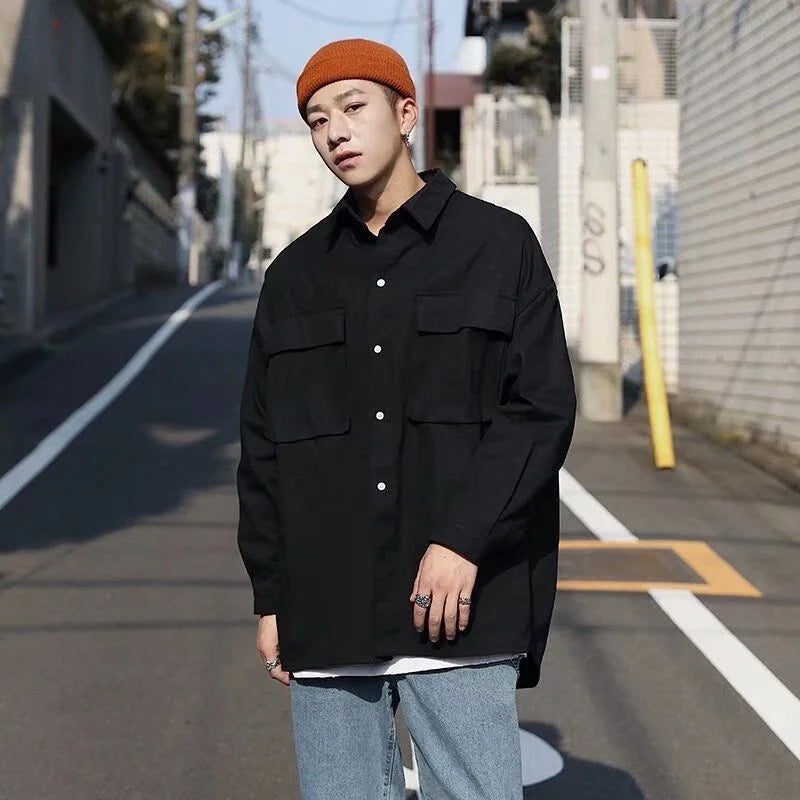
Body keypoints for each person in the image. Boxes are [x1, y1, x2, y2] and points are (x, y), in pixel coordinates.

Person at [236, 38, 577, 800]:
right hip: (327, 608)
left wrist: (463, 539)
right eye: (317, 119)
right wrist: (271, 596)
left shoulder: (499, 246)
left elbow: (540, 408)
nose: (336, 131)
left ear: (406, 113)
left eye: (353, 106)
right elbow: (263, 451)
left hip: (460, 608)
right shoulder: (293, 277)